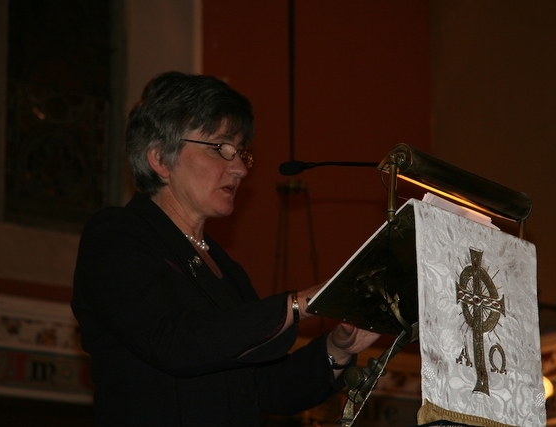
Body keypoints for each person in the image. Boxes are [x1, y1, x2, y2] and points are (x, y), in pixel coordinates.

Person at [71, 71, 380, 426]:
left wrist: (338, 348)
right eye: (221, 149)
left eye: (240, 154)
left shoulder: (226, 269)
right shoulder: (117, 235)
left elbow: (268, 387)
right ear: (160, 159)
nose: (239, 170)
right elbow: (172, 341)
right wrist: (299, 303)